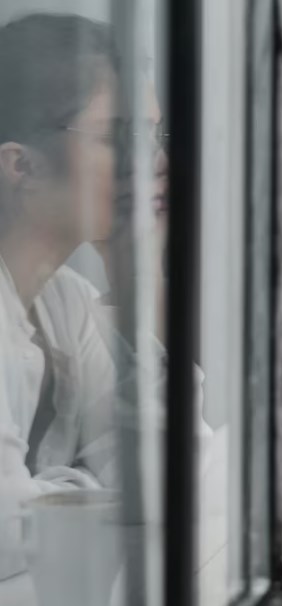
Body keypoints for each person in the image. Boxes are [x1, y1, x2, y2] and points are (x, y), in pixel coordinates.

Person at [0, 13, 175, 577]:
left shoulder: (67, 303)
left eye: (154, 135)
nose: (155, 165)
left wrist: (134, 273)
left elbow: (174, 483)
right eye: (118, 136)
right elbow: (5, 534)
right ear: (20, 165)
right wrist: (89, 489)